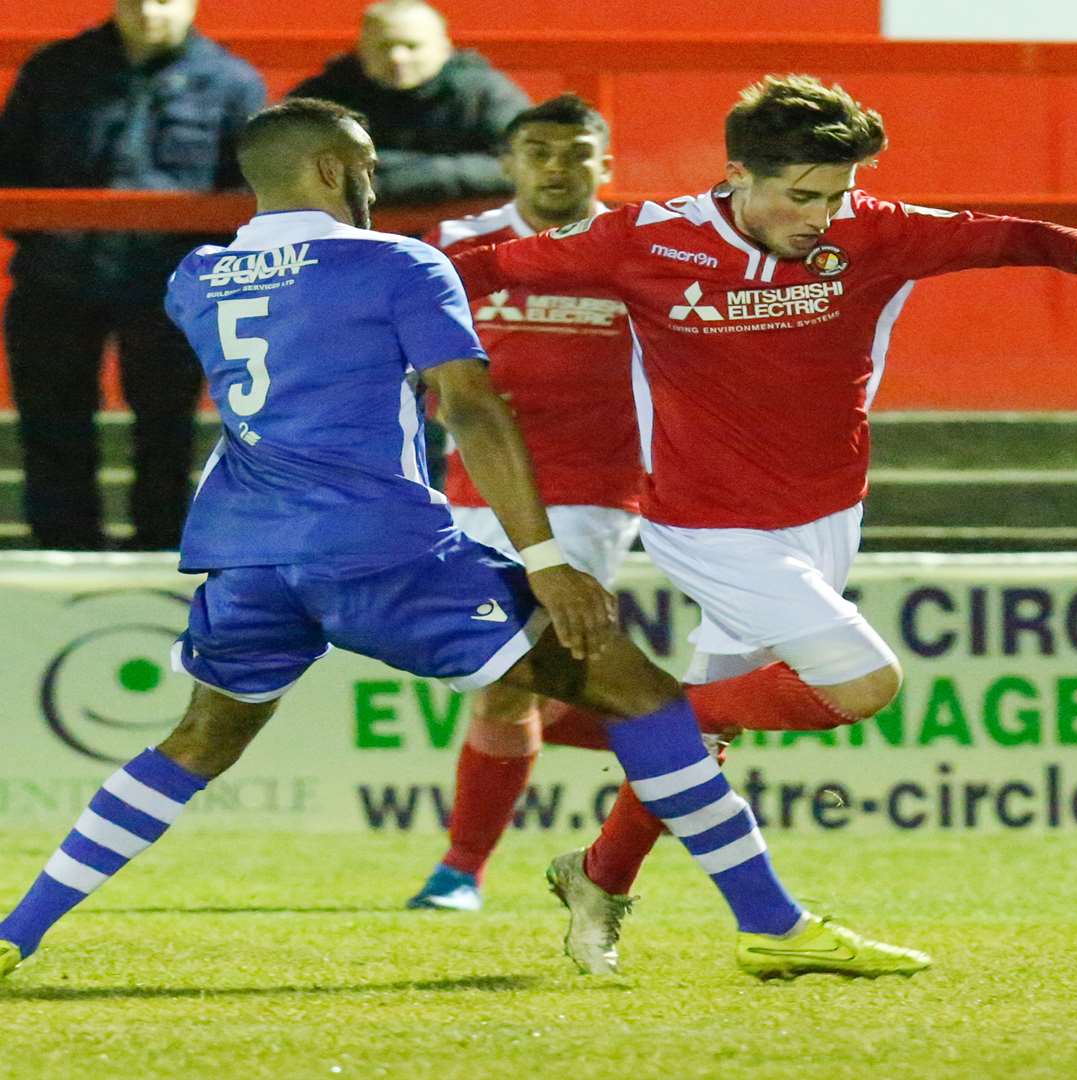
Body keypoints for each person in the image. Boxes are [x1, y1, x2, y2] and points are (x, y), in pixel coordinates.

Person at [0, 98, 928, 985]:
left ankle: (15, 932)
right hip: (385, 549)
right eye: (364, 168)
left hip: (246, 552)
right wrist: (547, 559)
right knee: (642, 694)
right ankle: (772, 928)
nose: (373, 184)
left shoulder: (194, 277)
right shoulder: (398, 263)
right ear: (333, 169)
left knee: (197, 742)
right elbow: (475, 410)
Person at [448, 73, 1077, 973]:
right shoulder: (647, 239)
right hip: (708, 524)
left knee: (701, 746)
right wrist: (353, 299)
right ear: (737, 175)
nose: (824, 214)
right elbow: (480, 266)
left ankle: (601, 873)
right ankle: (661, 725)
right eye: (802, 195)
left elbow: (996, 235)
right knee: (863, 680)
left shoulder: (869, 231)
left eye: (839, 192)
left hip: (825, 519)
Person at [403, 93, 658, 919]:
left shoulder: (644, 247)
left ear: (604, 165)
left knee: (505, 686)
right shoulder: (451, 247)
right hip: (466, 488)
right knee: (503, 675)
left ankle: (458, 871)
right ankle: (678, 735)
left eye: (576, 152)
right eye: (538, 151)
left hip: (588, 491)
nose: (556, 167)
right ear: (509, 162)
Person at [0, 0, 265, 549]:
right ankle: (62, 543)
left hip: (169, 285)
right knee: (52, 420)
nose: (148, 12)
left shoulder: (232, 83)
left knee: (166, 424)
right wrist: (48, 238)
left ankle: (162, 544)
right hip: (58, 277)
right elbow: (12, 162)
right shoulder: (56, 71)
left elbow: (249, 188)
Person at [289, 0, 527, 204]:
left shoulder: (483, 92)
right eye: (385, 46)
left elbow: (522, 164)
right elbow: (280, 162)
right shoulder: (324, 94)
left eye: (412, 46)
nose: (397, 58)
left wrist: (410, 177)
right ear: (361, 49)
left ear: (444, 49)